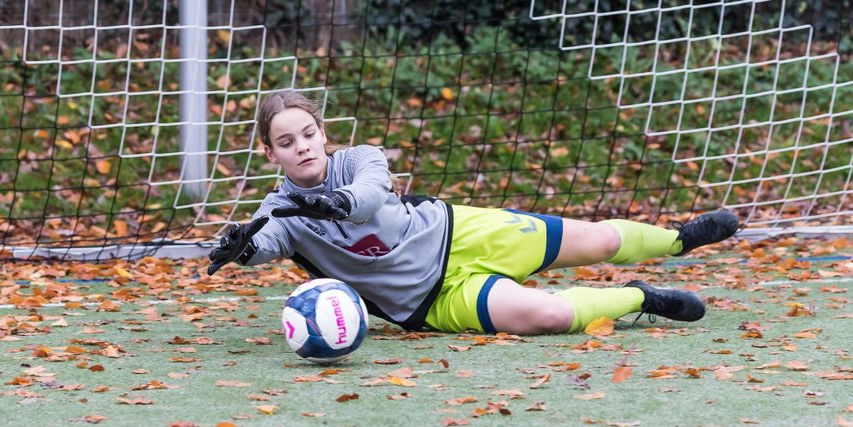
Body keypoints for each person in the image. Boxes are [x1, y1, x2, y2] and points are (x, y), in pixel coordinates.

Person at [207, 89, 739, 335]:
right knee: (548, 316)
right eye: (285, 141)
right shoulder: (278, 210)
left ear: (322, 132)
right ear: (270, 152)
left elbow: (369, 194)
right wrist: (241, 249)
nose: (300, 146)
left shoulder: (360, 160)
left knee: (599, 242)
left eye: (307, 133)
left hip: (459, 234)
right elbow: (267, 243)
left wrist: (333, 202)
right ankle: (643, 298)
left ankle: (677, 240)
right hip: (431, 301)